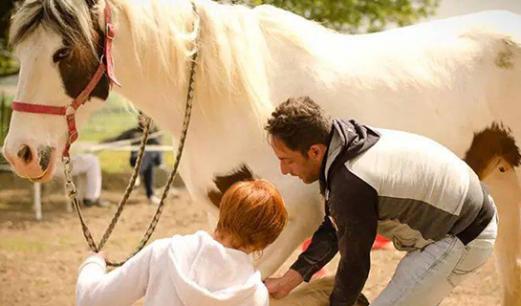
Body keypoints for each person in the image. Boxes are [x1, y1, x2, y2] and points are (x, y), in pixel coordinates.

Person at [263, 96, 497, 306]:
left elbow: (354, 265)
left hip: (463, 236)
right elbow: (336, 226)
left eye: (288, 160)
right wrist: (288, 281)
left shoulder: (351, 181)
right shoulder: (343, 142)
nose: (284, 170)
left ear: (314, 151)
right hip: (458, 222)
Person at [76, 179, 288, 306]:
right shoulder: (254, 295)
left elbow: (92, 301)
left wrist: (93, 263)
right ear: (264, 242)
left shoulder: (165, 252)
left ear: (223, 211)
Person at [105, 114, 163, 205]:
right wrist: (102, 143)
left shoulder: (155, 132)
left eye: (145, 118)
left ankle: (137, 175)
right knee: (149, 164)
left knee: (148, 154)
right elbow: (118, 139)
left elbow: (159, 147)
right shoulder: (133, 132)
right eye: (140, 117)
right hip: (135, 160)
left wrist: (149, 133)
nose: (142, 120)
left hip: (154, 158)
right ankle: (151, 195)